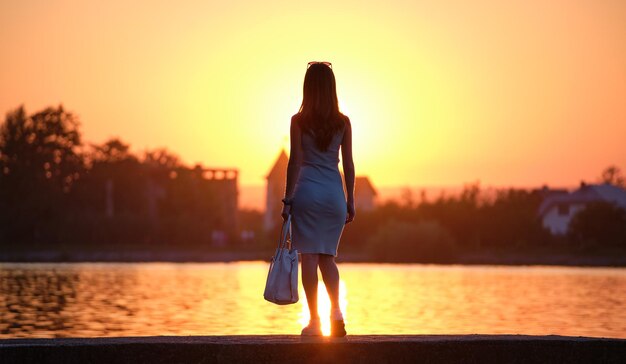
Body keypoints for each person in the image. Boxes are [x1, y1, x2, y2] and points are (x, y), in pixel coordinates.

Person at [281, 61, 356, 337]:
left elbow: (295, 163)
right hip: (334, 196)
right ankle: (336, 314)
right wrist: (351, 200)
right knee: (328, 259)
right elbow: (348, 165)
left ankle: (314, 323)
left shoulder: (298, 121)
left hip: (307, 194)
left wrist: (288, 200)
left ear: (308, 88)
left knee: (309, 259)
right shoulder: (343, 122)